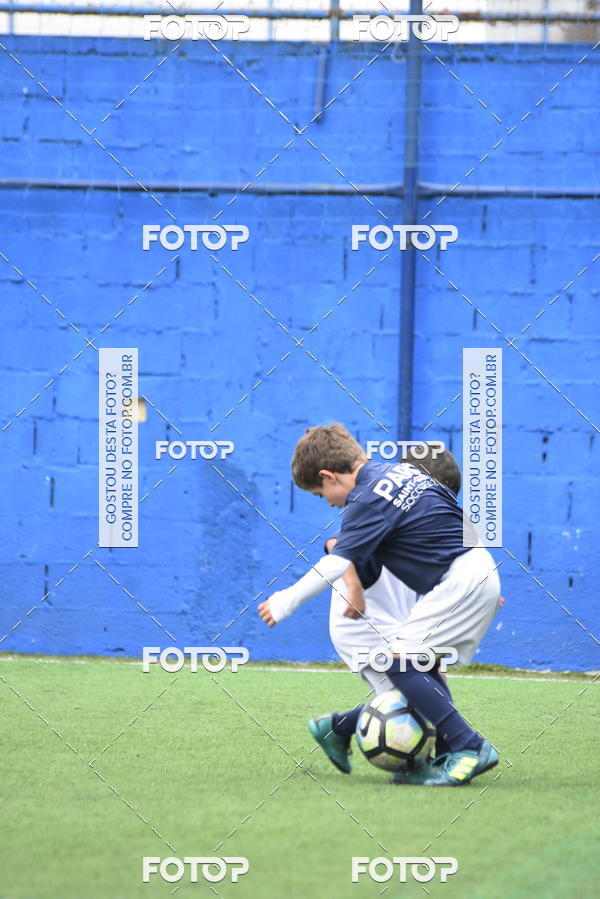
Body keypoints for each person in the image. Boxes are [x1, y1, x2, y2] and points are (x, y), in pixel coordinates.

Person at [258, 424, 501, 786]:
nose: (327, 502)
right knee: (421, 671)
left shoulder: (366, 498)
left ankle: (469, 746)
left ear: (328, 476)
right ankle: (438, 751)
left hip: (459, 579)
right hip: (476, 567)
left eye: (320, 492)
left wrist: (284, 601)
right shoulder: (403, 472)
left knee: (400, 669)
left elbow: (336, 561)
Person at [309, 445, 465, 775]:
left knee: (426, 685)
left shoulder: (421, 524)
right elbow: (334, 545)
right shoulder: (383, 509)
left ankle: (337, 728)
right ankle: (433, 758)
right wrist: (353, 589)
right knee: (420, 696)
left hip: (392, 621)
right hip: (360, 623)